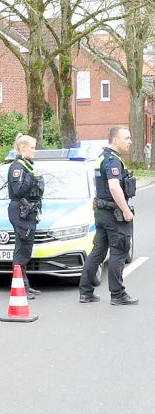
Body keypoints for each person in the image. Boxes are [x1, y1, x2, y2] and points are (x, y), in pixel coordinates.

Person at [79, 126, 138, 305]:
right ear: (115, 140)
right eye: (126, 138)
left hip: (102, 212)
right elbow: (113, 186)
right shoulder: (112, 160)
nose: (130, 141)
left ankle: (86, 291)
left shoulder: (102, 158)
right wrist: (126, 211)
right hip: (114, 214)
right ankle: (118, 294)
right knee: (119, 252)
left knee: (97, 252)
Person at [6, 134, 43, 296]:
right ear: (22, 148)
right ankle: (20, 287)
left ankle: (25, 286)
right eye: (32, 148)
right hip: (20, 211)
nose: (34, 151)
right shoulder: (18, 168)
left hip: (28, 212)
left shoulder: (28, 166)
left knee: (25, 249)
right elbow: (18, 190)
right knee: (22, 250)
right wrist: (30, 177)